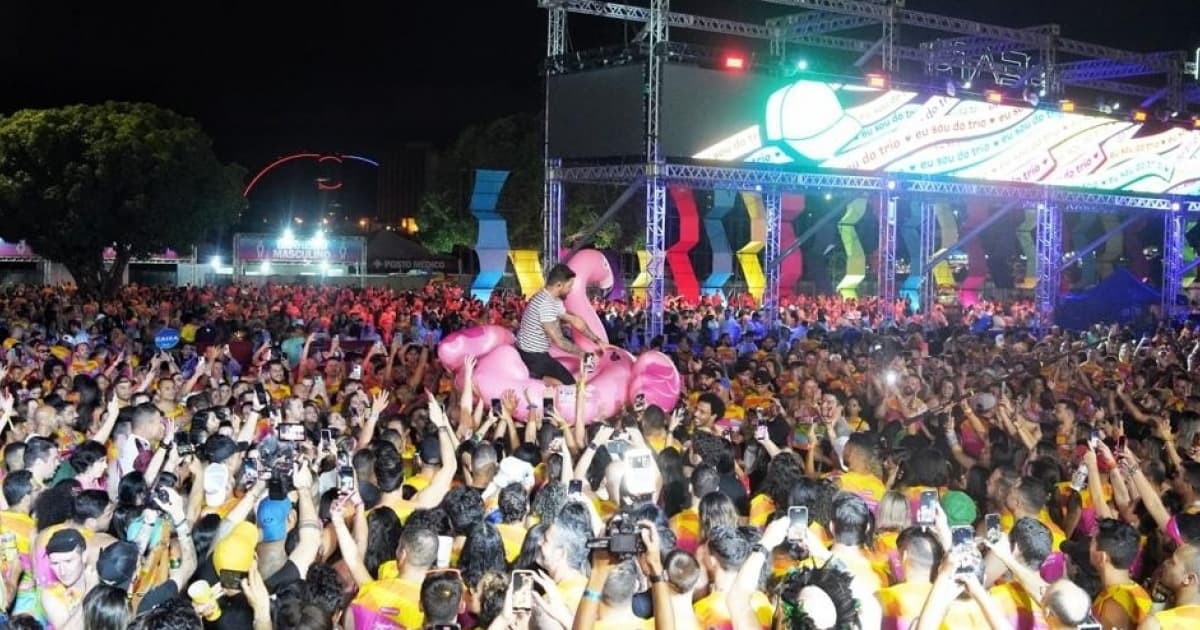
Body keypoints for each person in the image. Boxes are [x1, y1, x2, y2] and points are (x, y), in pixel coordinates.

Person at [515, 264, 606, 386]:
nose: (571, 290)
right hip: (532, 356)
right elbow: (560, 341)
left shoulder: (553, 299)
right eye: (569, 286)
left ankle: (542, 378)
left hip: (539, 352)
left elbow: (575, 320)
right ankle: (536, 377)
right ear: (558, 285)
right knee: (570, 386)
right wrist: (583, 354)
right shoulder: (545, 304)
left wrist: (597, 340)